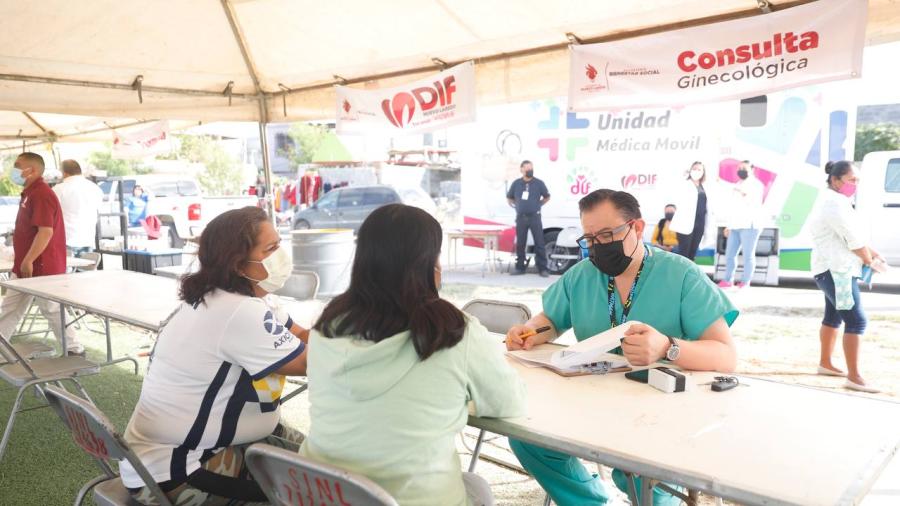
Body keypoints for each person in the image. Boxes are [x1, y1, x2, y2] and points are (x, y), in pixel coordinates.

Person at [505, 189, 738, 506]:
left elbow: (726, 355)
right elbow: (551, 320)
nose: (598, 246)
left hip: (662, 413)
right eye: (589, 238)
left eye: (605, 234)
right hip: (591, 402)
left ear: (637, 228)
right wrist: (530, 331)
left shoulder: (682, 275)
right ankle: (589, 501)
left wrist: (667, 347)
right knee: (529, 441)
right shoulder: (582, 275)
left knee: (632, 470)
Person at [300, 204, 525, 506]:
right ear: (428, 265)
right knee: (478, 489)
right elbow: (508, 401)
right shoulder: (454, 331)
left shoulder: (327, 327)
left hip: (324, 495)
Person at [120, 207, 309, 504]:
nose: (281, 255)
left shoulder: (222, 298)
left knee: (321, 456)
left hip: (159, 460)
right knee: (319, 485)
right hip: (179, 473)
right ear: (238, 263)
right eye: (271, 248)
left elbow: (300, 335)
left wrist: (343, 328)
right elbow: (310, 361)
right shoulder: (239, 311)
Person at [808, 161, 884, 393]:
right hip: (836, 271)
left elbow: (855, 237)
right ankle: (854, 376)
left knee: (833, 317)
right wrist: (871, 261)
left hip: (833, 268)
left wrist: (874, 254)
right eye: (852, 180)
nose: (856, 184)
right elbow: (853, 239)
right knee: (856, 320)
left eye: (857, 180)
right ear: (835, 180)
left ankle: (826, 364)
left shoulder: (837, 201)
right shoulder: (833, 204)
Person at [0, 153, 82, 355]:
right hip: (26, 264)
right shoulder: (30, 193)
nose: (15, 170)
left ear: (33, 170)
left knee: (51, 308)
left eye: (18, 166)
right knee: (11, 308)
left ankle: (74, 349)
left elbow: (46, 231)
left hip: (41, 265)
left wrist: (28, 260)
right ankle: (1, 346)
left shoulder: (42, 194)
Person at [719, 160, 766, 289]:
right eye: (739, 168)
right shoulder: (737, 184)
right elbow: (733, 207)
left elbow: (752, 202)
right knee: (730, 255)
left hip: (750, 225)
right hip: (735, 225)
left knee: (748, 255)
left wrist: (740, 191)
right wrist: (728, 225)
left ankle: (745, 282)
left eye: (744, 168)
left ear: (752, 169)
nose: (741, 170)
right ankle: (728, 280)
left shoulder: (756, 185)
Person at [507, 160, 551, 277]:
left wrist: (538, 204)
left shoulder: (539, 183)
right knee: (520, 243)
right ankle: (520, 268)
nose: (530, 170)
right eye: (527, 168)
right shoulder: (516, 183)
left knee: (539, 243)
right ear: (522, 170)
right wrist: (517, 206)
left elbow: (547, 197)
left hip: (535, 217)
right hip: (521, 218)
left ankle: (542, 269)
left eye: (531, 168)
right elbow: (509, 197)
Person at [52, 159, 104, 257]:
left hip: (66, 240)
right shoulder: (95, 189)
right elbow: (98, 210)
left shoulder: (59, 189)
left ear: (64, 173)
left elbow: (50, 214)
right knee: (86, 271)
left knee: (66, 272)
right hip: (87, 239)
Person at [670, 161, 709, 261]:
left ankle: (689, 276)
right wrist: (683, 176)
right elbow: (676, 196)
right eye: (694, 169)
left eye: (699, 169)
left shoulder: (705, 187)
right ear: (690, 170)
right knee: (684, 254)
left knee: (692, 254)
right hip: (685, 223)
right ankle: (681, 275)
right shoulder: (684, 184)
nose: (696, 171)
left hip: (700, 224)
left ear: (703, 172)